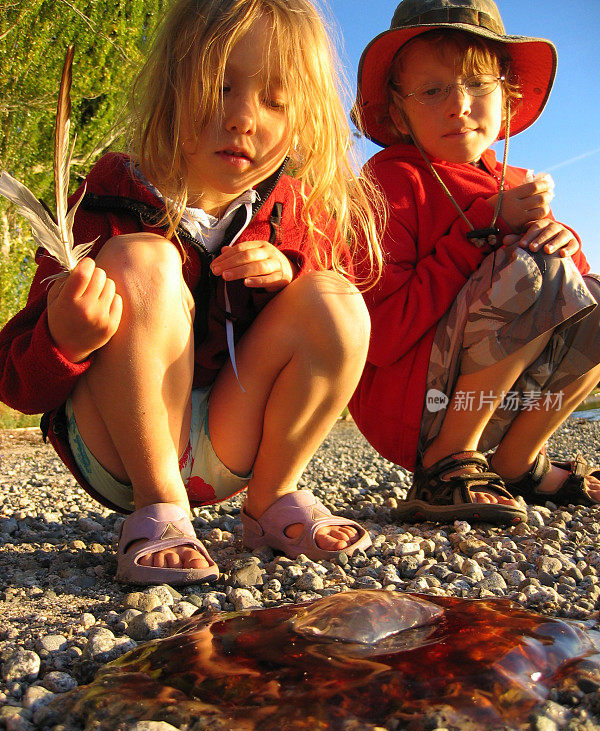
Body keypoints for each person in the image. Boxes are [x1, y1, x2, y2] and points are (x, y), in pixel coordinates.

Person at [0, 0, 384, 585]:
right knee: (139, 259)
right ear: (172, 88)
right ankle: (160, 506)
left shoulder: (290, 215)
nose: (243, 119)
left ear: (303, 118)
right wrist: (63, 340)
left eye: (276, 101)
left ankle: (271, 499)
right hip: (117, 447)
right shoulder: (107, 198)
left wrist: (289, 276)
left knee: (333, 299)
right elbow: (15, 383)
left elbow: (320, 340)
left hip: (229, 445)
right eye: (220, 86)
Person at [349, 0, 600, 525]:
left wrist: (562, 238)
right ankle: (446, 461)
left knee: (581, 281)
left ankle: (517, 463)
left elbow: (574, 292)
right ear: (399, 111)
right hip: (417, 404)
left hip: (494, 399)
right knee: (532, 265)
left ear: (507, 99)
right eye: (433, 90)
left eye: (477, 85)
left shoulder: (513, 180)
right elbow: (382, 335)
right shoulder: (391, 183)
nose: (459, 104)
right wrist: (487, 230)